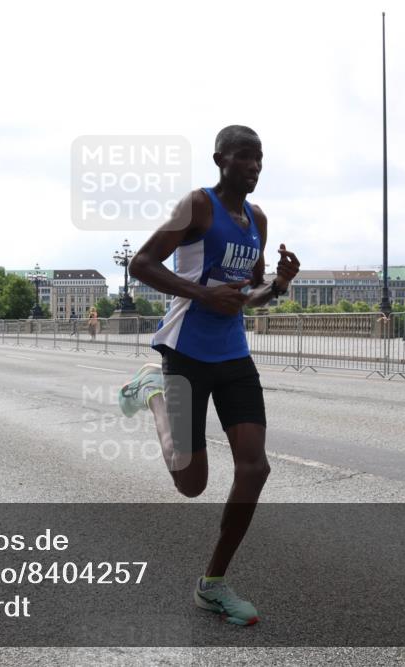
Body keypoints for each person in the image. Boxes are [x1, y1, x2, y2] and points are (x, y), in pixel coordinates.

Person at [119, 125, 300, 626]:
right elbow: (141, 264)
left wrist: (278, 285)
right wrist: (202, 294)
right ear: (220, 159)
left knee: (255, 468)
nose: (254, 166)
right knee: (191, 483)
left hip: (233, 354)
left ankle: (213, 584)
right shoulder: (198, 205)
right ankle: (153, 392)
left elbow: (249, 295)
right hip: (186, 350)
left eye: (260, 158)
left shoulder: (257, 220)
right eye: (244, 156)